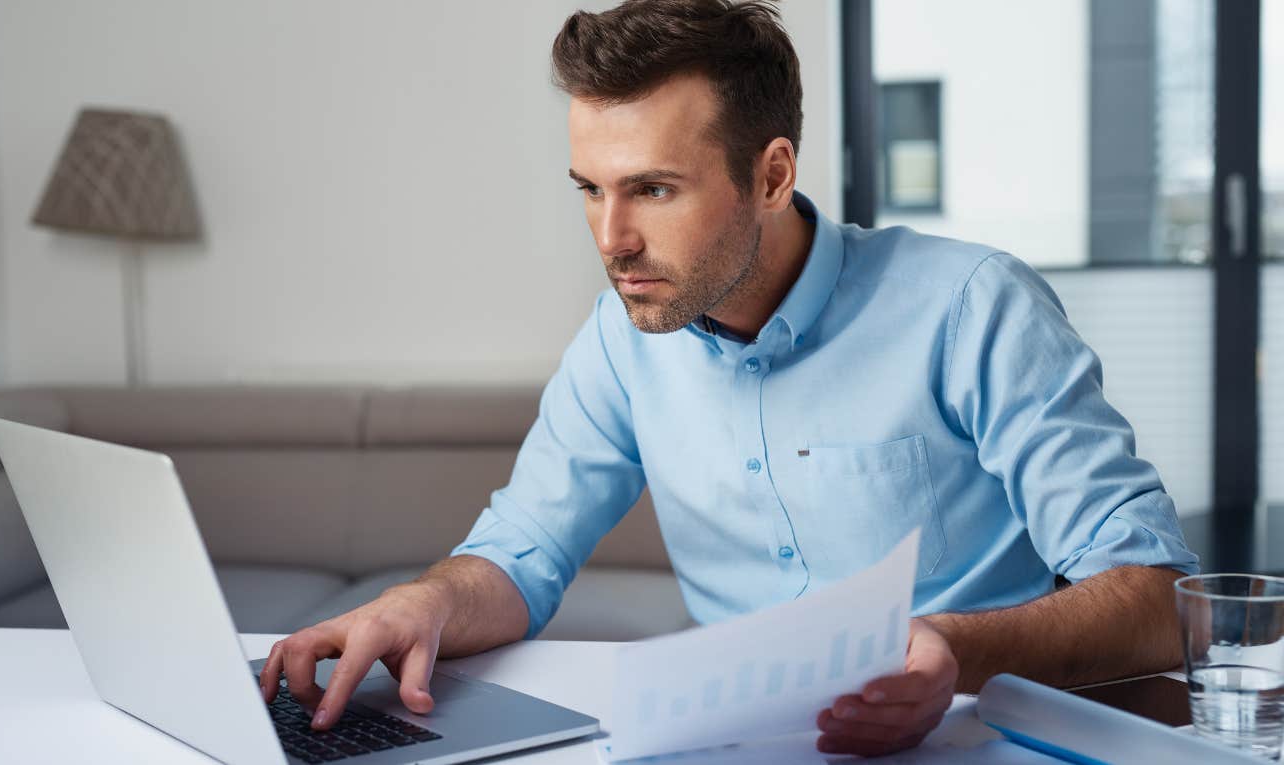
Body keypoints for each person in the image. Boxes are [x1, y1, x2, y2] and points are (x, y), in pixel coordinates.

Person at [259, 0, 1200, 756]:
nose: (610, 237)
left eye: (654, 189)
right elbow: (520, 554)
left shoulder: (971, 307)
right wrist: (416, 603)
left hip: (978, 736)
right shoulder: (621, 340)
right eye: (591, 188)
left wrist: (956, 652)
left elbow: (1154, 601)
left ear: (772, 173)